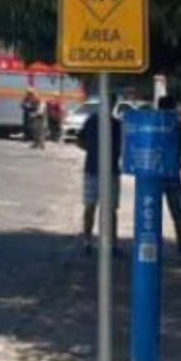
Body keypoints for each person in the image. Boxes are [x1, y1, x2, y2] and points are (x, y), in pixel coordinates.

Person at [77, 97, 123, 256]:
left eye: (110, 104)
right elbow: (79, 139)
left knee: (110, 210)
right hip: (92, 170)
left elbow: (122, 146)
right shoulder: (92, 121)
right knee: (90, 207)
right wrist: (93, 151)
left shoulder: (117, 125)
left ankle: (112, 244)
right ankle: (87, 241)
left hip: (110, 171)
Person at [158, 95, 181, 262]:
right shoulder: (177, 125)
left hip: (156, 174)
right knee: (178, 214)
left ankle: (154, 246)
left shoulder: (155, 124)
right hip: (173, 173)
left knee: (154, 213)